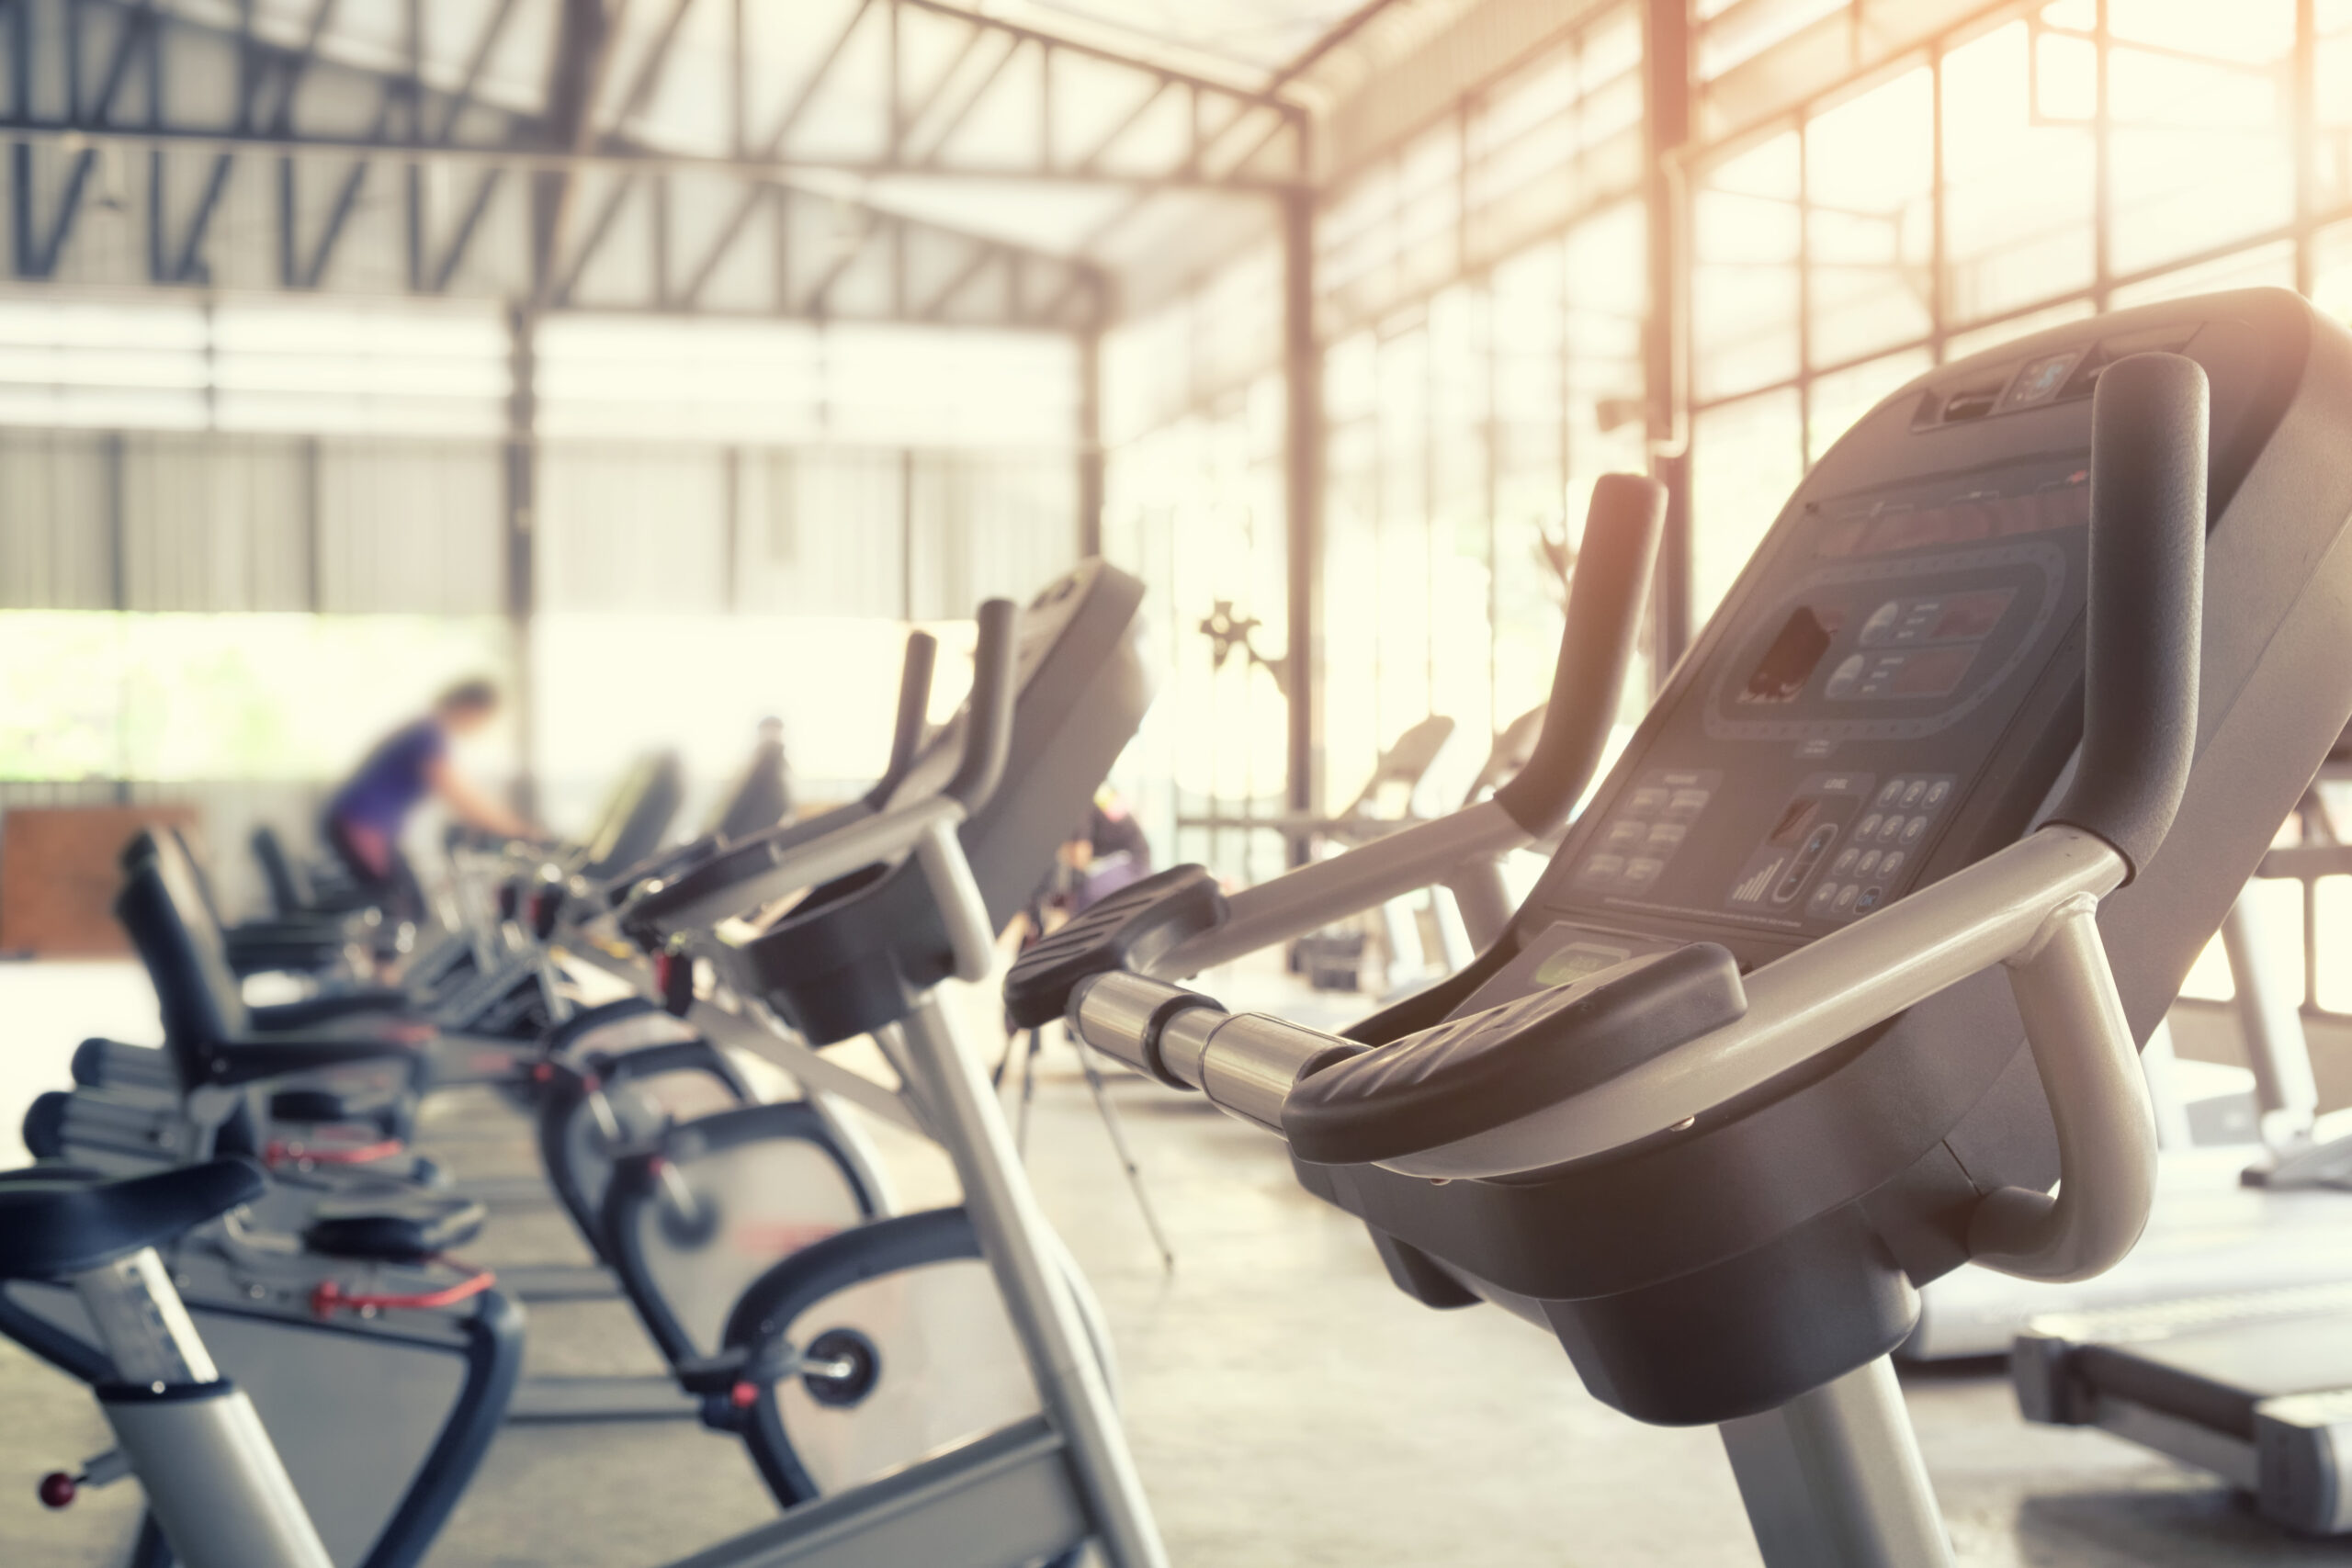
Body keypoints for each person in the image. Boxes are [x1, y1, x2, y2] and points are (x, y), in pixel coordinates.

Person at [323, 678, 536, 918]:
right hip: (361, 825)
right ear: (470, 708)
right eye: (485, 720)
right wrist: (521, 832)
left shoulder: (425, 730)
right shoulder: (429, 733)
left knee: (409, 905)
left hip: (367, 825)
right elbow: (460, 796)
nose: (481, 728)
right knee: (401, 908)